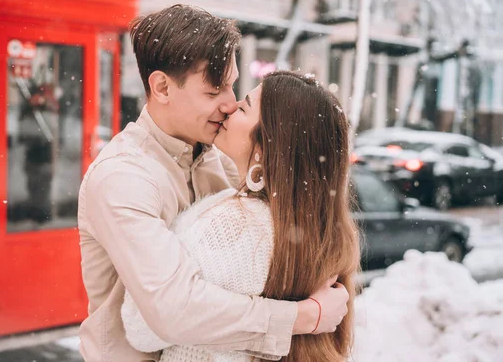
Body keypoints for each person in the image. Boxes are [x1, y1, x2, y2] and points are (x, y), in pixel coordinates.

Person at [78, 4, 351, 362]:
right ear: (162, 87)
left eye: (232, 85)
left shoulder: (222, 157)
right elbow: (173, 310)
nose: (229, 103)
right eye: (213, 91)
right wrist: (302, 317)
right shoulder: (123, 178)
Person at [121, 71, 360, 362]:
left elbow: (142, 326)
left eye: (245, 107)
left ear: (265, 147)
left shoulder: (231, 225)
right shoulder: (323, 234)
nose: (230, 107)